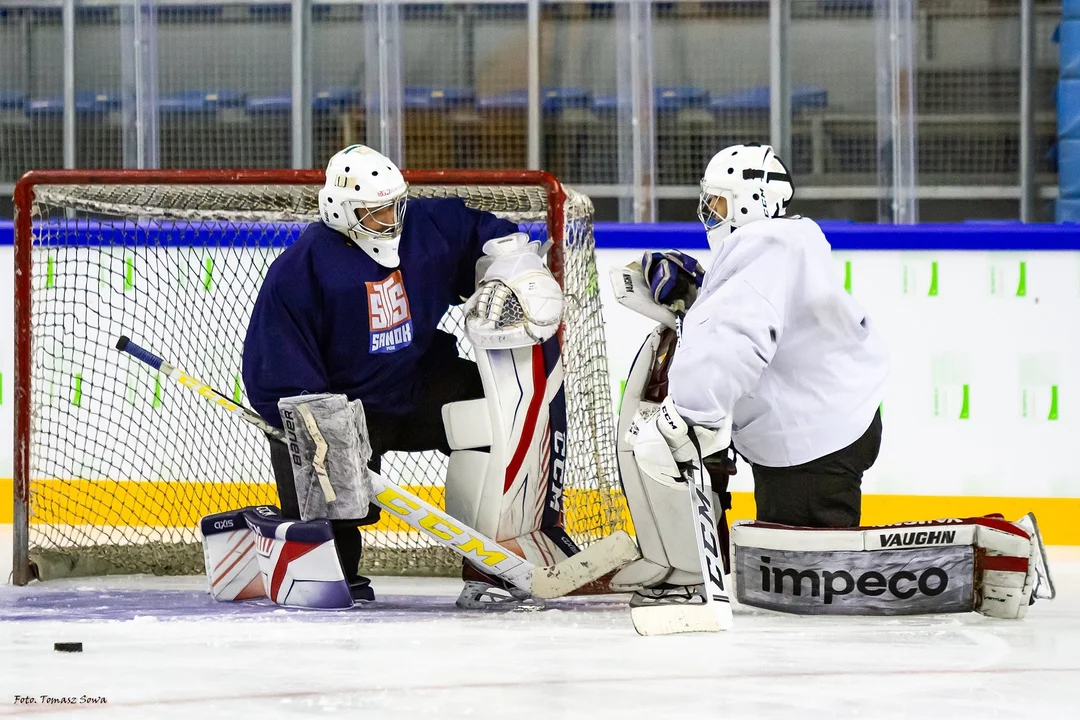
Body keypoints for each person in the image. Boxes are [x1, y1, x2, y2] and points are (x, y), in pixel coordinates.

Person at [611, 142, 888, 602]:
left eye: (717, 199)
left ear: (751, 200)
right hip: (819, 427)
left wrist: (694, 411)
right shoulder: (779, 246)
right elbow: (747, 321)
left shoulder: (768, 249)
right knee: (792, 570)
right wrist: (697, 293)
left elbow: (735, 334)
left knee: (811, 586)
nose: (709, 211)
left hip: (814, 440)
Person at [242, 144, 519, 601]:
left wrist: (507, 259)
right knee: (312, 455)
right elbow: (279, 377)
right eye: (376, 212)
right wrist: (324, 429)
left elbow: (479, 231)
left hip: (417, 383)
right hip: (344, 407)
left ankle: (494, 560)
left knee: (495, 417)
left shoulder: (421, 230)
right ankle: (335, 574)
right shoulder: (300, 271)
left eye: (395, 206)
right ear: (340, 211)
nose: (392, 220)